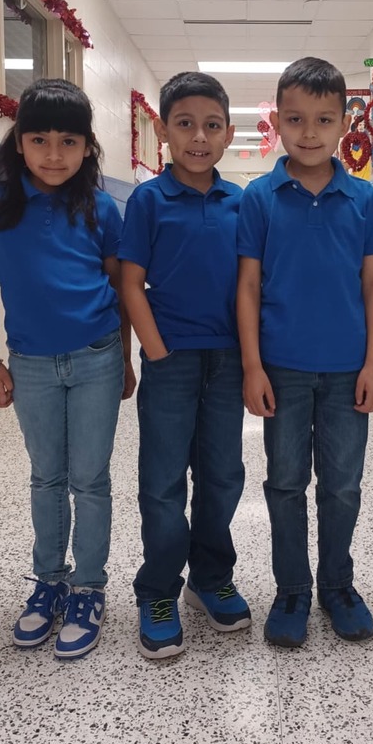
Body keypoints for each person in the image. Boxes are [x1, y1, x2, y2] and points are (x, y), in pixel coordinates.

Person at [0, 79, 135, 659]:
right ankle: (48, 581)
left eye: (69, 141)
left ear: (88, 147)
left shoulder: (101, 207)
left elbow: (120, 287)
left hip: (96, 358)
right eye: (39, 139)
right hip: (31, 364)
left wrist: (127, 357)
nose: (54, 154)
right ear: (19, 142)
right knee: (46, 477)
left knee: (90, 479)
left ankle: (89, 587)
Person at [237, 57, 373, 648]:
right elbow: (247, 286)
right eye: (296, 119)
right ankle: (292, 589)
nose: (309, 132)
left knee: (343, 485)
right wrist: (252, 365)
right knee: (285, 482)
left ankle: (338, 586)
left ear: (343, 122)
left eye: (324, 119)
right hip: (284, 368)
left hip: (349, 365)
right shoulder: (260, 197)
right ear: (277, 122)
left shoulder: (363, 198)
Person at [119, 71, 250, 660]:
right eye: (185, 124)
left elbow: (253, 284)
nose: (199, 136)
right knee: (165, 481)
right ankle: (159, 589)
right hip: (170, 362)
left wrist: (251, 357)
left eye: (212, 125)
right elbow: (130, 281)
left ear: (227, 135)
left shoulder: (240, 202)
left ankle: (209, 576)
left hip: (227, 360)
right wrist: (156, 350)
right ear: (164, 131)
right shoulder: (148, 199)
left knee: (223, 475)